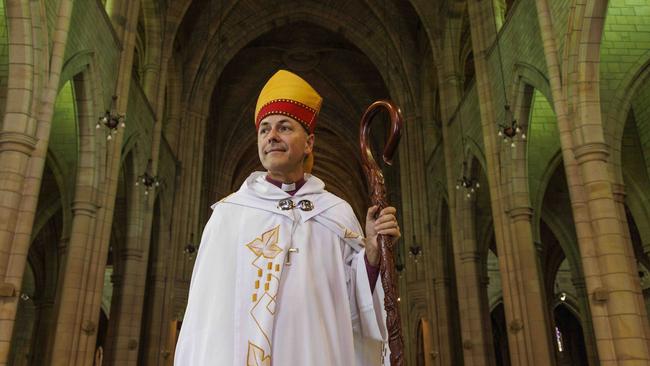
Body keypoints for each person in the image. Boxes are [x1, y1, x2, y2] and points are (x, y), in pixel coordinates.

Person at [174, 70, 401, 365]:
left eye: (284, 127)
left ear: (308, 143)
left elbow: (354, 304)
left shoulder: (336, 212)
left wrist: (371, 254)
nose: (272, 136)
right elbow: (206, 319)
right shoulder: (229, 216)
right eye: (264, 129)